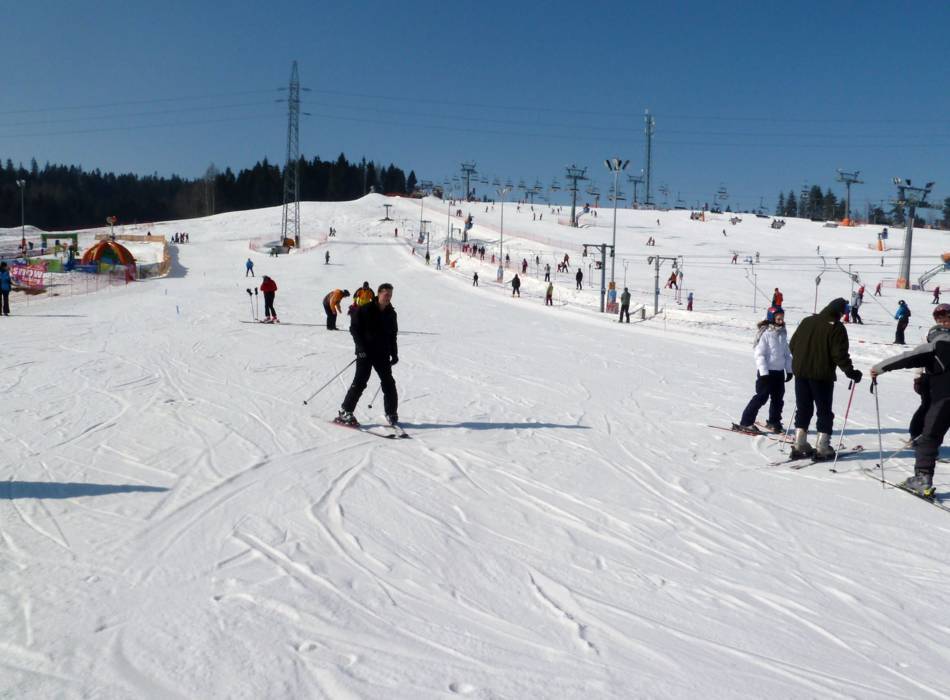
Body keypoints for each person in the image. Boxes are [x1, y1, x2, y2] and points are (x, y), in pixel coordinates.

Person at [871, 306, 950, 498]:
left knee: (928, 437)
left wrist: (879, 368)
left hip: (945, 399)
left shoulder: (935, 346)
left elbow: (907, 358)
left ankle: (921, 479)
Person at [788, 298, 862, 460]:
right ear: (840, 312)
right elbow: (839, 354)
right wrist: (851, 372)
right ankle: (822, 446)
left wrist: (802, 359)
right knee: (824, 410)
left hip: (800, 372)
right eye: (844, 312)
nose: (844, 316)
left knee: (803, 407)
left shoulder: (807, 321)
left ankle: (799, 443)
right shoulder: (836, 327)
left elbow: (792, 344)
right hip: (821, 375)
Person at [336, 283, 399, 427]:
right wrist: (360, 348)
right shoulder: (365, 309)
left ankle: (391, 412)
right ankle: (345, 411)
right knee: (360, 381)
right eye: (386, 294)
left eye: (390, 294)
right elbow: (354, 329)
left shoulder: (391, 313)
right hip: (365, 352)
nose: (388, 297)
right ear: (378, 293)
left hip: (382, 353)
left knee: (389, 382)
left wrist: (394, 353)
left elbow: (392, 335)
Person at [735, 306, 793, 434]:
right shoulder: (765, 333)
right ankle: (746, 422)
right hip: (766, 373)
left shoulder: (782, 333)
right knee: (761, 397)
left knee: (778, 399)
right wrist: (764, 372)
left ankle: (774, 421)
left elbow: (786, 354)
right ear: (772, 318)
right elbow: (759, 355)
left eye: (782, 318)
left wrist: (789, 370)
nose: (781, 320)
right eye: (778, 318)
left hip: (779, 373)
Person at [908, 305, 950, 445]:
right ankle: (916, 435)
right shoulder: (932, 334)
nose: (942, 324)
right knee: (928, 406)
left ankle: (931, 440)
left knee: (942, 412)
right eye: (939, 321)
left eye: (945, 321)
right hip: (928, 377)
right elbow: (920, 355)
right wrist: (917, 377)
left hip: (945, 379)